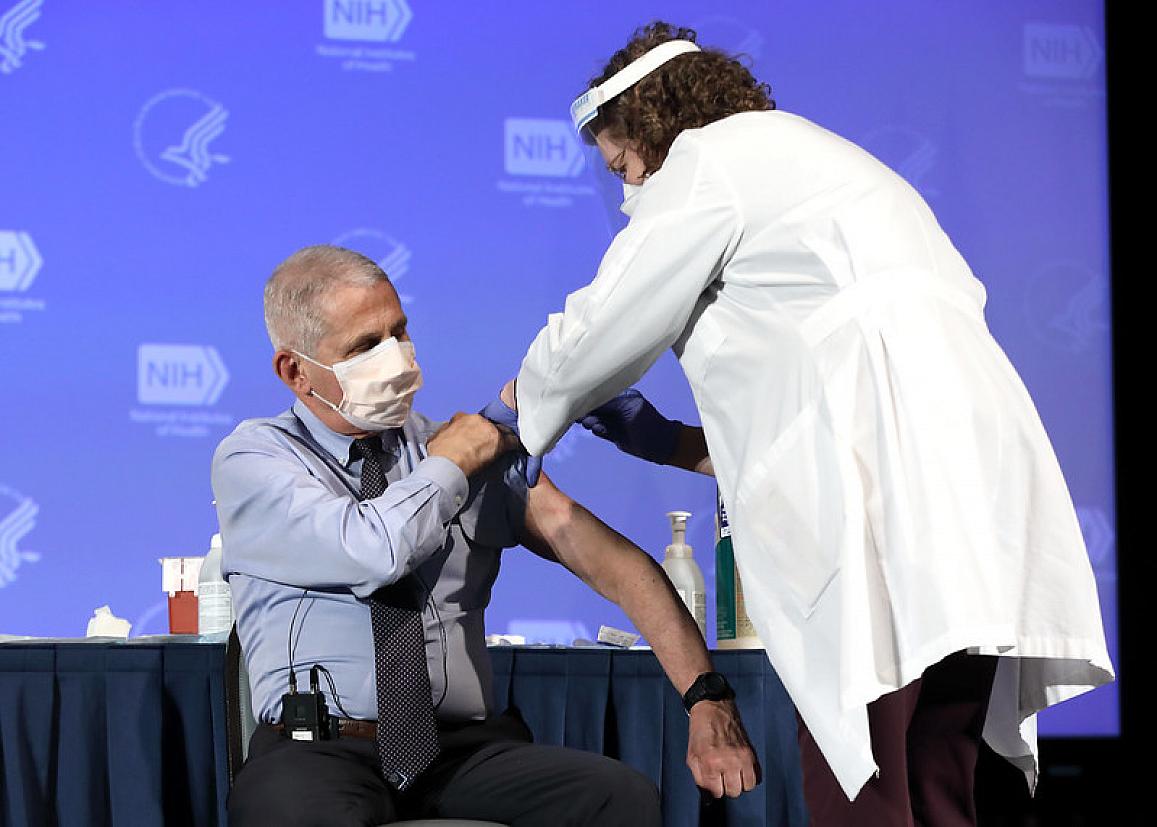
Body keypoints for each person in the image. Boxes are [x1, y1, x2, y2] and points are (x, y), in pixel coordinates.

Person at [494, 21, 1115, 827]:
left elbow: (611, 316)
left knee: (862, 774)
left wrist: (517, 408)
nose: (627, 190)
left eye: (623, 164)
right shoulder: (837, 167)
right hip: (978, 488)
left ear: (652, 126)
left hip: (874, 496)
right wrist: (668, 443)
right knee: (939, 769)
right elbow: (817, 396)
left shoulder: (708, 159)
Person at [211, 244, 759, 827]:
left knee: (615, 796)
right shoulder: (258, 458)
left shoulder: (461, 445)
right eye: (365, 346)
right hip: (317, 751)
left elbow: (613, 565)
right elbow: (373, 550)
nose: (395, 358)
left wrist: (708, 699)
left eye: (399, 331)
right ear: (295, 371)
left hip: (459, 751)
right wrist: (453, 464)